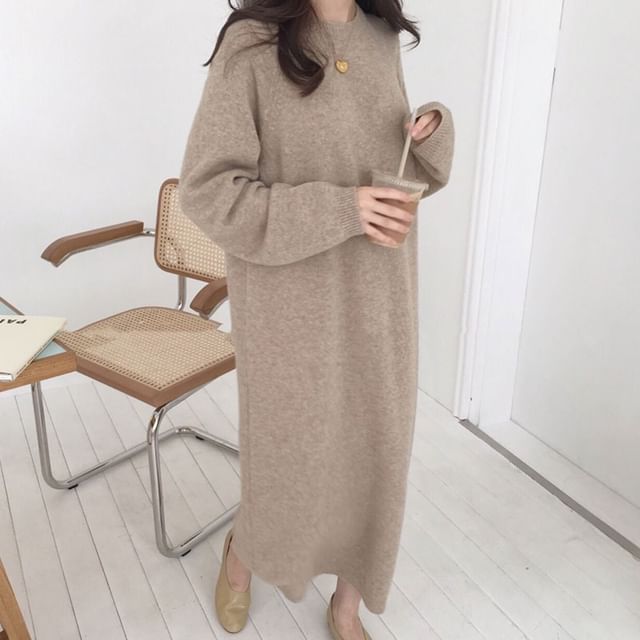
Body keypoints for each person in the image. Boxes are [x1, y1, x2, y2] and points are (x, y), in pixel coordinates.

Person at [178, 0, 455, 637]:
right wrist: (342, 209)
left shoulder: (381, 36)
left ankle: (348, 604)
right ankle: (244, 554)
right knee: (290, 459)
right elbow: (208, 190)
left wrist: (431, 129)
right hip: (290, 307)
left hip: (381, 293)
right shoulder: (252, 43)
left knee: (378, 453)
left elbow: (395, 169)